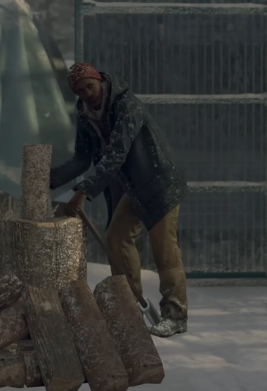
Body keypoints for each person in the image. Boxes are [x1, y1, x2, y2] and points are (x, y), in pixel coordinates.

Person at [50, 62, 189, 337]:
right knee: (116, 237)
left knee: (165, 250)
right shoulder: (86, 114)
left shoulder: (126, 105)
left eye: (89, 86)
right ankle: (130, 306)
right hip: (134, 187)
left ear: (99, 80)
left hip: (160, 181)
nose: (86, 94)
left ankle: (175, 315)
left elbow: (117, 153)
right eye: (79, 91)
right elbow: (82, 158)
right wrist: (50, 178)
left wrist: (83, 192)